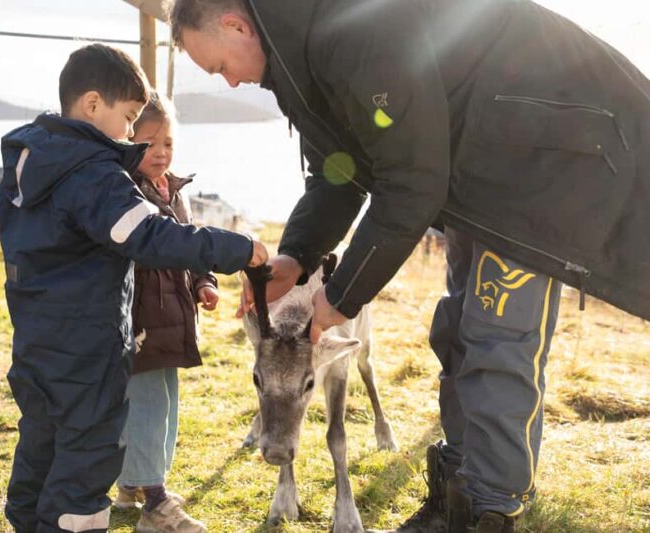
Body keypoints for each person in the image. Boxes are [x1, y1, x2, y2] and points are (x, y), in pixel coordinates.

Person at [168, 1, 650, 532]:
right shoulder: (303, 61)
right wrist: (296, 257)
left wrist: (340, 298)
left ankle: (489, 511)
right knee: (457, 331)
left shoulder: (346, 31)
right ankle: (457, 494)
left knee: (497, 340)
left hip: (539, 167)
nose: (230, 83)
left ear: (236, 26)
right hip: (476, 179)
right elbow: (340, 172)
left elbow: (410, 180)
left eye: (218, 68)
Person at [0, 43, 267, 533]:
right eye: (128, 118)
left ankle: (26, 523)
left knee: (41, 444)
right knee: (88, 456)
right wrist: (237, 249)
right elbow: (150, 235)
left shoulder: (32, 165)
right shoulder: (92, 174)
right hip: (87, 351)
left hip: (37, 344)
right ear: (93, 105)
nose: (131, 135)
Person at [112, 92, 213, 533]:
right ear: (130, 142)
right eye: (150, 143)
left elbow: (190, 244)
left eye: (168, 143)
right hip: (141, 317)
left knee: (164, 403)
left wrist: (204, 281)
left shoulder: (173, 189)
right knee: (147, 402)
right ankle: (154, 500)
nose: (161, 153)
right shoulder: (123, 190)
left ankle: (132, 484)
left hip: (173, 315)